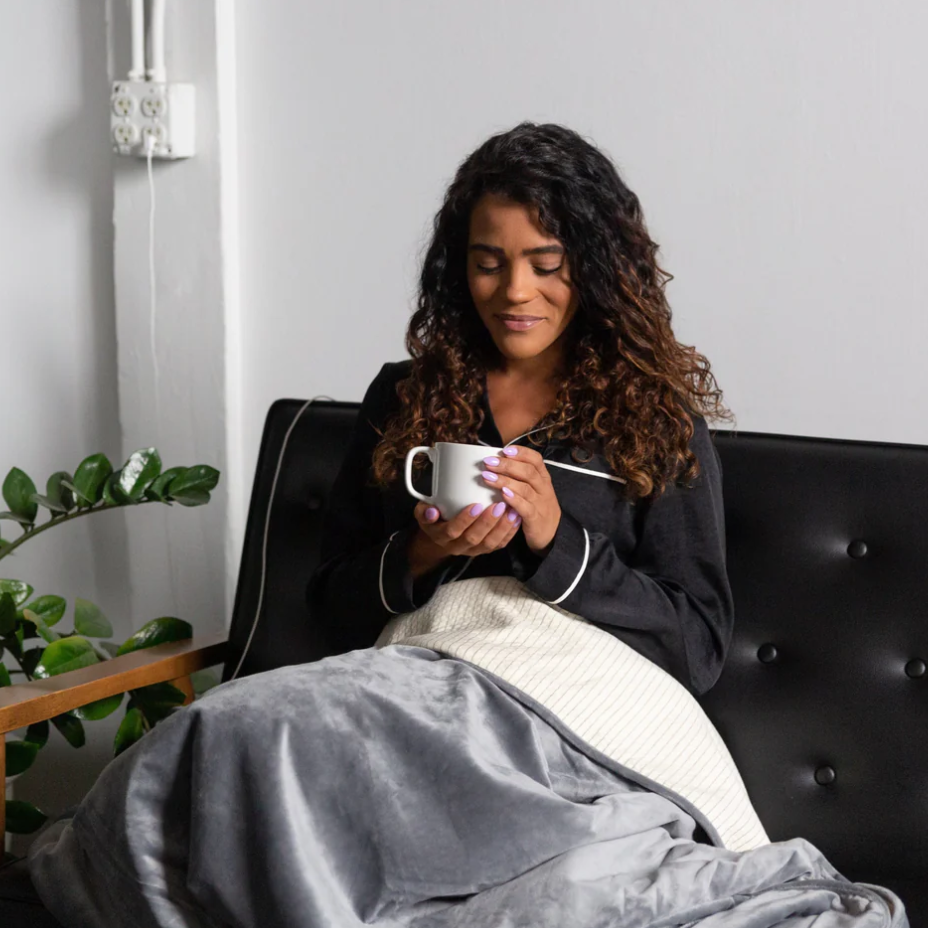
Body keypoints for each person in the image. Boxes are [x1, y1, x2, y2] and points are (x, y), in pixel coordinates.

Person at [309, 120, 736, 696]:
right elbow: (327, 610)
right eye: (488, 264)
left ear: (597, 269)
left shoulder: (660, 423)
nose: (514, 290)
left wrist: (557, 541)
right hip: (406, 690)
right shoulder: (404, 395)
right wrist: (422, 553)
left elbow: (697, 646)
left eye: (546, 265)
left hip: (565, 711)